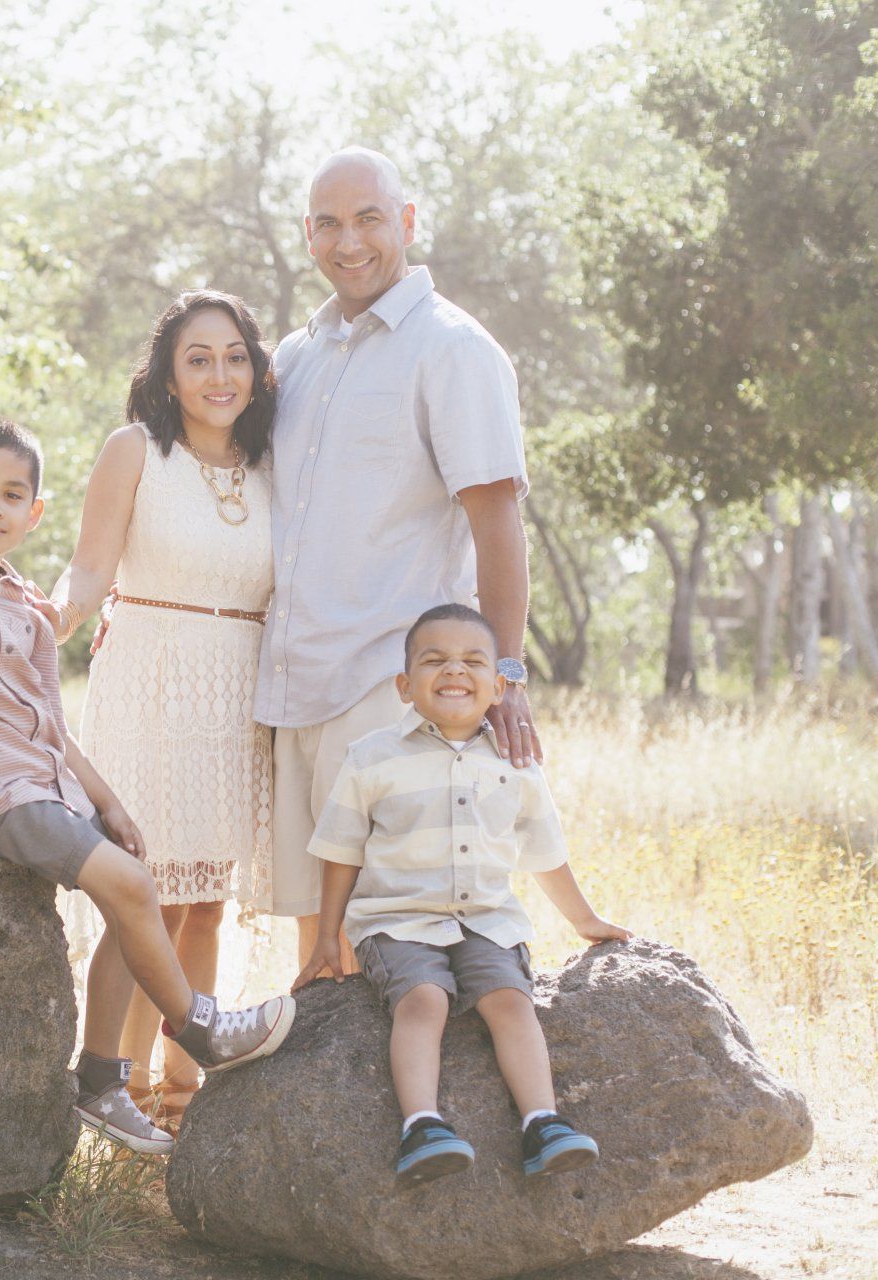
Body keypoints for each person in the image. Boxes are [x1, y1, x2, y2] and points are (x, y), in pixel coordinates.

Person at [0, 416, 296, 1155]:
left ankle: (101, 1081)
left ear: (34, 513)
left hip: (41, 780)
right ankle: (200, 1028)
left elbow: (51, 725)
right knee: (133, 885)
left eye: (10, 495)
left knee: (133, 887)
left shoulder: (24, 603)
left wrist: (109, 802)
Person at [261, 148, 545, 971]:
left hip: (388, 683)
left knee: (390, 932)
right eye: (328, 224)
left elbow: (496, 521)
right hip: (295, 683)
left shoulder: (452, 348)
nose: (348, 242)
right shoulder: (295, 356)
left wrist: (507, 674)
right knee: (316, 933)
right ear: (307, 235)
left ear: (409, 222)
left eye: (369, 219)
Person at [294, 603, 630, 1181]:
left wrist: (585, 920)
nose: (454, 670)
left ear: (499, 687)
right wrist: (327, 937)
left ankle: (543, 1123)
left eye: (473, 661)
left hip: (487, 920)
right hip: (397, 922)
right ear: (404, 686)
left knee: (510, 999)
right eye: (435, 660)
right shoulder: (373, 758)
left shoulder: (516, 764)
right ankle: (422, 1126)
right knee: (425, 999)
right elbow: (341, 852)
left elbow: (545, 852)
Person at [49, 290, 277, 1128]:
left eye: (235, 357)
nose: (220, 375)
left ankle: (184, 1100)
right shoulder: (136, 450)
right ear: (169, 376)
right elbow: (89, 567)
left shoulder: (274, 464)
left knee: (206, 901)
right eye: (199, 358)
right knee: (148, 893)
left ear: (256, 371)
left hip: (236, 691)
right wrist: (57, 614)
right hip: (149, 681)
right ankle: (123, 1091)